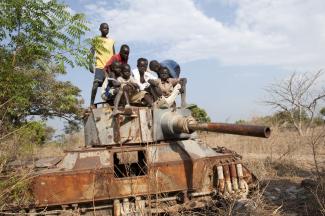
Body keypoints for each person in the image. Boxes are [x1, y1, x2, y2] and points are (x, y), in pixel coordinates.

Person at [90, 23, 115, 108]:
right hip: (100, 66)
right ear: (100, 29)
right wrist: (90, 64)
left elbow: (114, 55)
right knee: (96, 84)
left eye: (107, 28)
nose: (106, 30)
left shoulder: (111, 41)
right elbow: (92, 52)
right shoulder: (96, 39)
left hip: (109, 68)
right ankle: (91, 103)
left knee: (110, 86)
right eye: (104, 28)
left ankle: (109, 102)